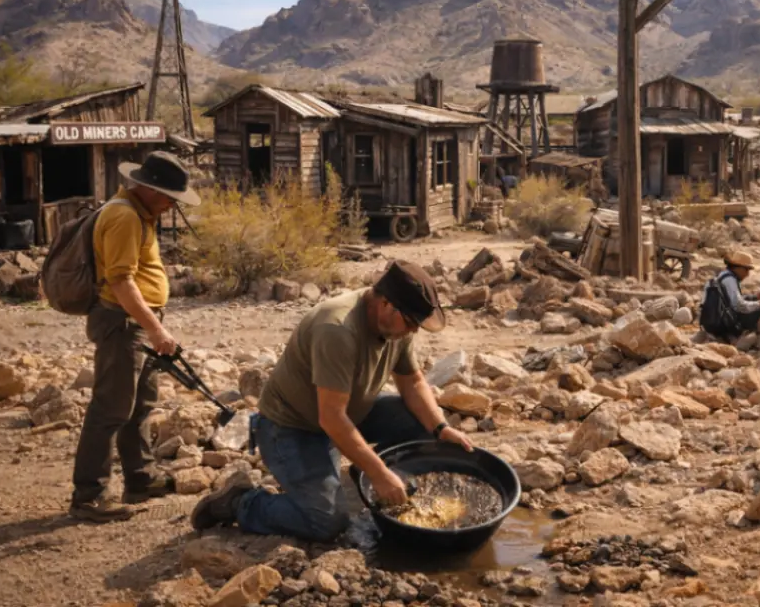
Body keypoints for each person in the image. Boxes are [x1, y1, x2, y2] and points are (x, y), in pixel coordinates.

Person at [190, 260, 472, 543]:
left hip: (350, 410)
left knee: (422, 423)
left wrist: (440, 428)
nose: (413, 332)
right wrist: (381, 473)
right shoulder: (337, 328)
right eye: (411, 323)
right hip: (293, 427)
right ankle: (242, 503)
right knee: (326, 522)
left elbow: (412, 382)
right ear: (386, 303)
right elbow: (332, 418)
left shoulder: (397, 324)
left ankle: (366, 473)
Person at [70, 151, 200, 522]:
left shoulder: (138, 212)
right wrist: (156, 329)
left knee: (139, 404)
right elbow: (120, 281)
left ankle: (140, 478)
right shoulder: (124, 216)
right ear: (146, 188)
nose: (171, 204)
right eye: (167, 196)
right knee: (111, 408)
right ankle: (88, 496)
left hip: (134, 323)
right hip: (122, 324)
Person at [699, 251, 760, 340]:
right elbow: (738, 305)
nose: (747, 274)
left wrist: (755, 297)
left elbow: (729, 300)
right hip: (720, 325)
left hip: (709, 322)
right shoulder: (730, 280)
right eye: (746, 270)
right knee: (759, 311)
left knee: (752, 302)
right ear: (738, 268)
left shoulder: (721, 275)